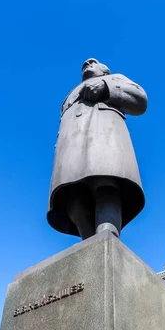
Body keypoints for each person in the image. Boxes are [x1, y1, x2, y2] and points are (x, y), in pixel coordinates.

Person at [47, 59, 147, 239]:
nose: (87, 63)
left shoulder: (115, 78)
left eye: (94, 62)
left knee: (105, 185)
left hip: (103, 136)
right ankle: (89, 244)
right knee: (73, 198)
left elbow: (140, 100)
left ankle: (108, 236)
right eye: (85, 63)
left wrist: (107, 89)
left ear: (105, 70)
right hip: (71, 147)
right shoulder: (68, 96)